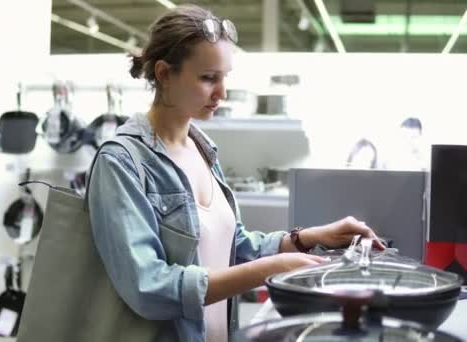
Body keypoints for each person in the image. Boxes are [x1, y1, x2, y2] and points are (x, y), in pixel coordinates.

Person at [87, 5, 384, 342]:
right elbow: (148, 287)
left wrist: (310, 238)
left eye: (224, 77)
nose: (222, 93)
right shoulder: (122, 162)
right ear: (165, 74)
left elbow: (234, 246)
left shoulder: (202, 148)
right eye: (208, 78)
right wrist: (267, 271)